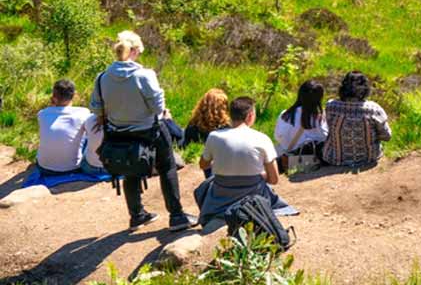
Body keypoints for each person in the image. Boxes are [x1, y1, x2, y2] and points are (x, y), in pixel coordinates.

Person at [90, 30, 196, 231]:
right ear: (135, 51)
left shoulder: (102, 77)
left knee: (131, 170)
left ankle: (137, 215)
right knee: (167, 167)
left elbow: (96, 108)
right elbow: (158, 108)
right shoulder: (144, 75)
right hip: (149, 131)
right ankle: (176, 216)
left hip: (117, 133)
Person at [197, 95, 294, 225]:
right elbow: (274, 179)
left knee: (208, 183)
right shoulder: (262, 138)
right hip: (253, 196)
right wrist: (260, 175)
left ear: (230, 115)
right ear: (250, 116)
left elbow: (203, 165)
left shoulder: (214, 136)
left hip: (221, 195)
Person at [36, 80, 105, 178]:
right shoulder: (83, 113)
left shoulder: (42, 114)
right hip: (72, 168)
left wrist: (53, 105)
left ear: (53, 96)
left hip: (44, 168)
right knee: (85, 135)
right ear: (74, 95)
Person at [322, 72, 392, 168]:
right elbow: (387, 136)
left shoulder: (331, 106)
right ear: (365, 89)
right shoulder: (374, 109)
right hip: (369, 158)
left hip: (334, 159)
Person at [275, 80, 328, 170]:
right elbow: (324, 137)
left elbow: (277, 137)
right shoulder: (319, 118)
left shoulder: (285, 115)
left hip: (289, 154)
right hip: (309, 156)